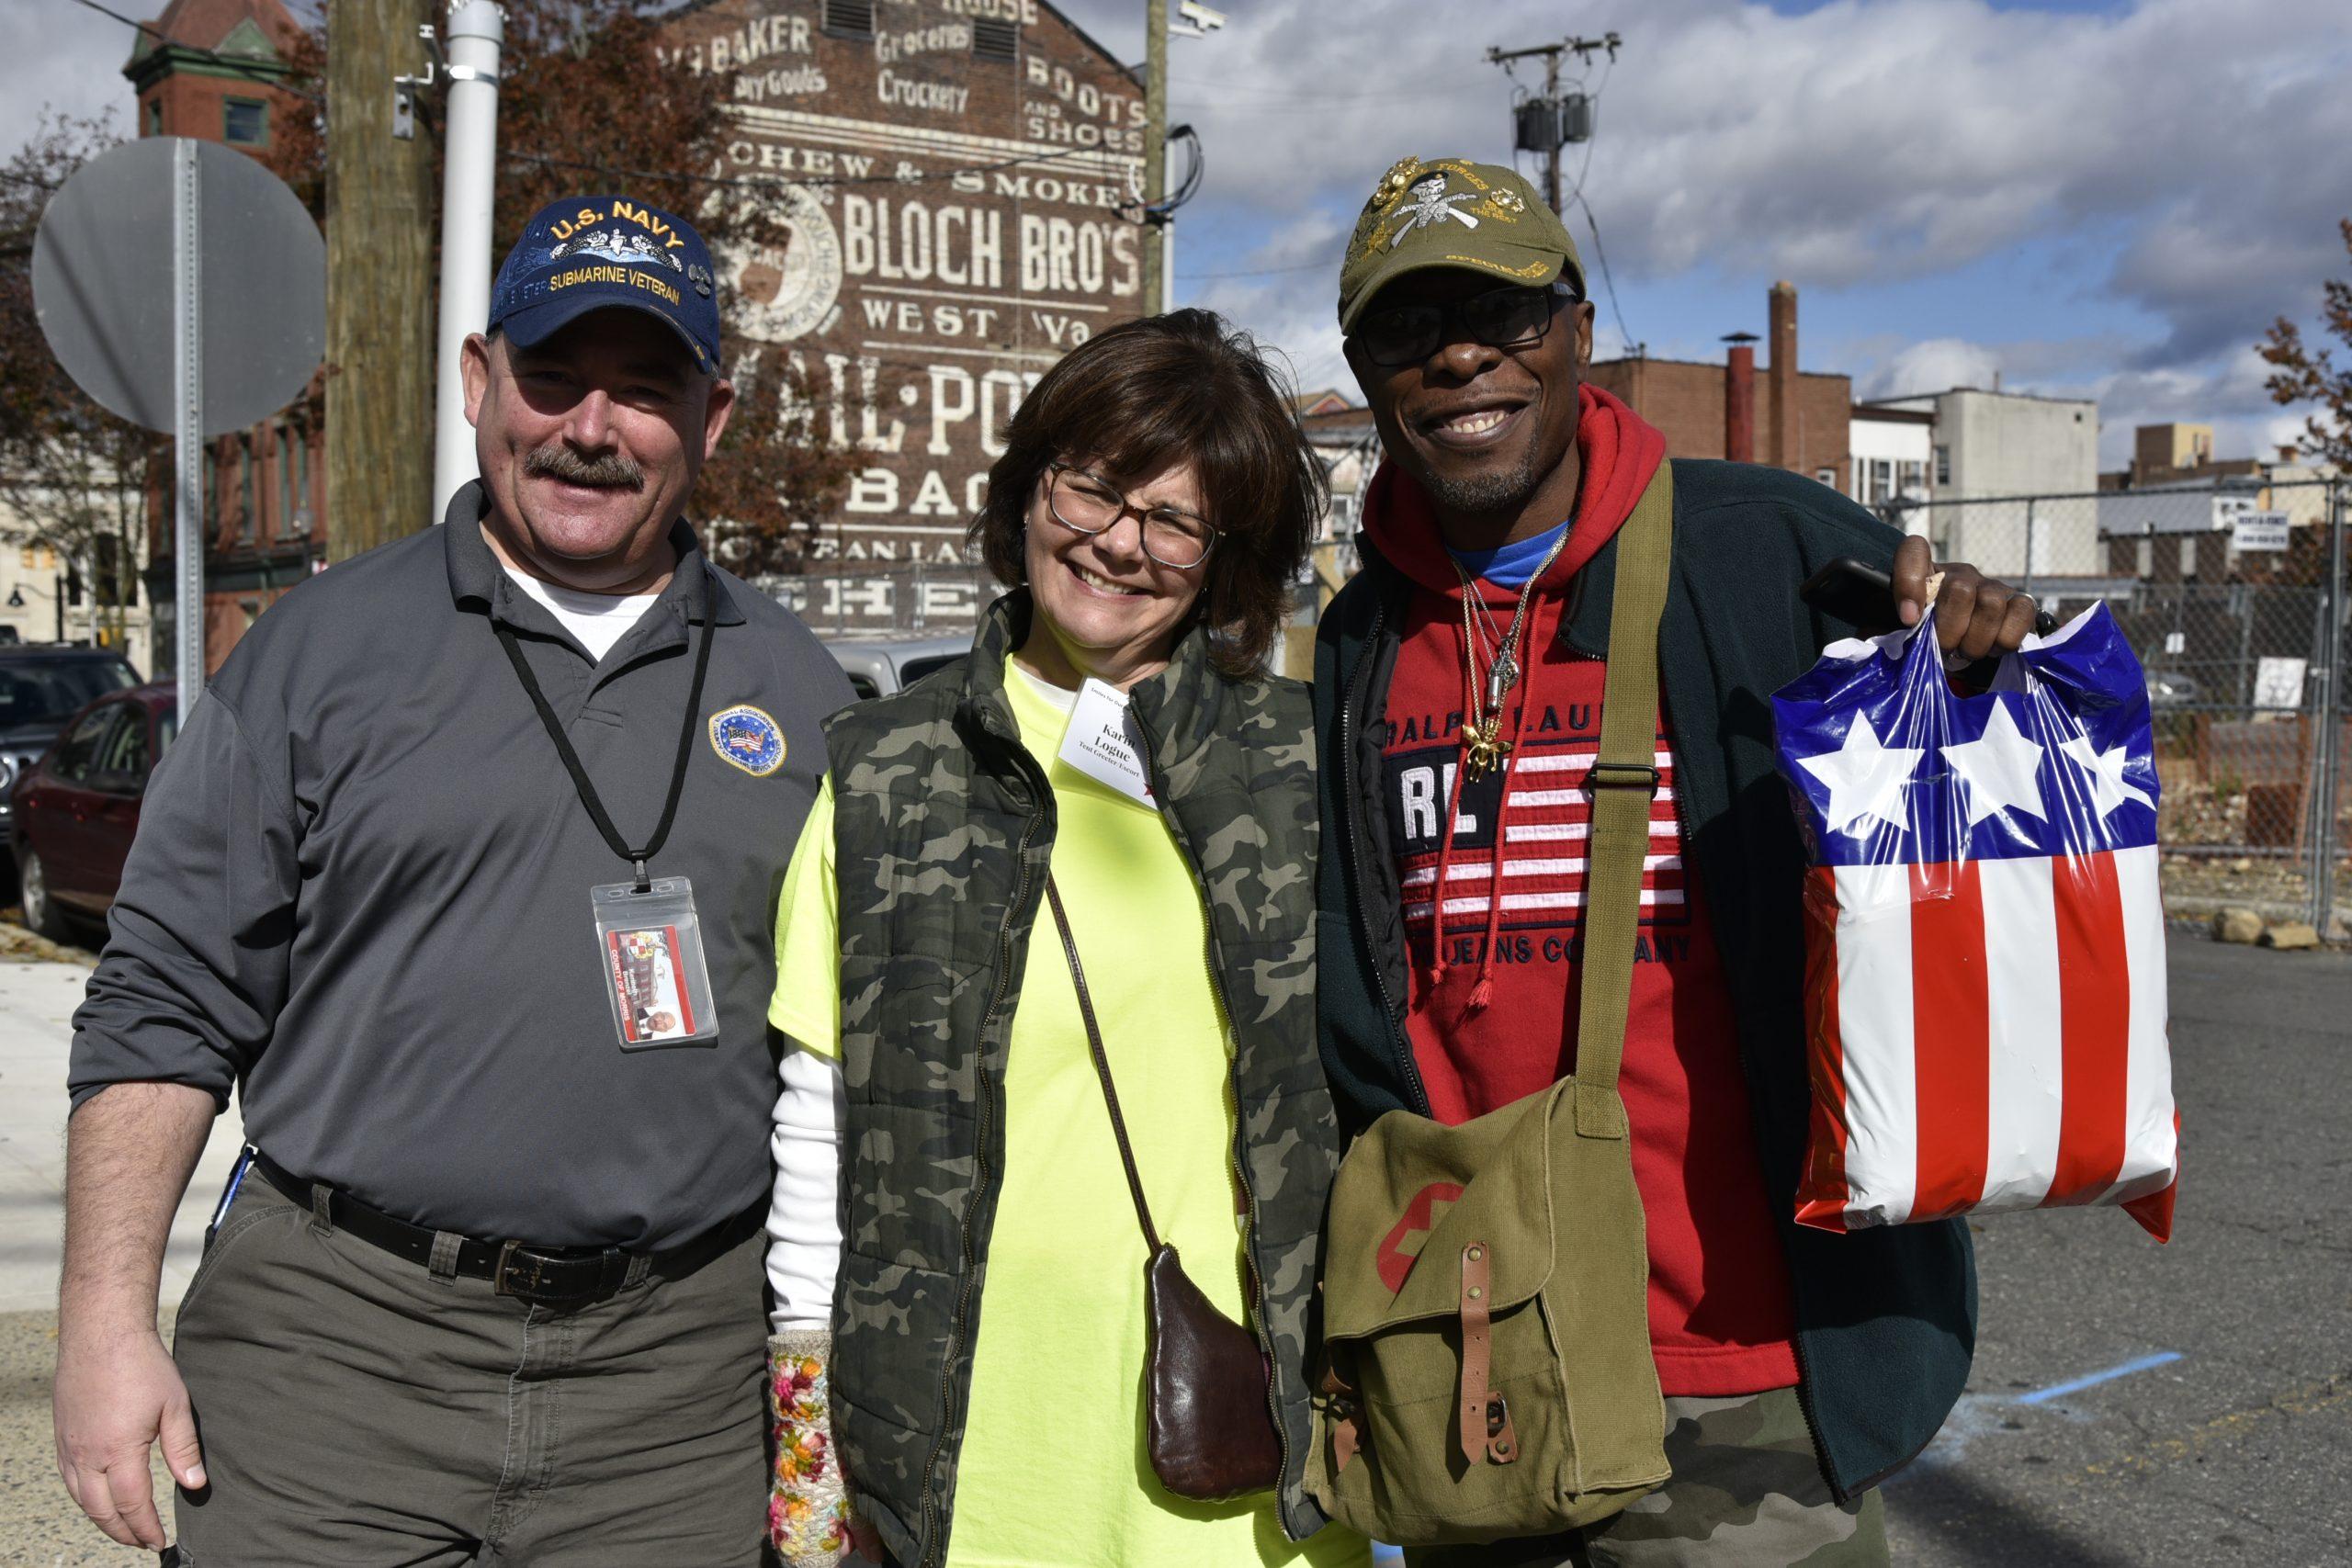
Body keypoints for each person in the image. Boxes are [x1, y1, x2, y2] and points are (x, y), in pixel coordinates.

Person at [51, 194, 851, 1565]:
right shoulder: (317, 654)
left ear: (712, 421)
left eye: (646, 390)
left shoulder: (807, 695)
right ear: (482, 383)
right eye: (552, 377)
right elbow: (163, 1008)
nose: (591, 429)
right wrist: (103, 1327)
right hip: (342, 1354)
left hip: (669, 1395)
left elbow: (848, 1070)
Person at [1314, 157, 2041, 1566]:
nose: (1460, 354)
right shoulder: (1355, 644)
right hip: (1477, 1365)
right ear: (1365, 371)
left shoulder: (1760, 551)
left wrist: (1982, 672)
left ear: (1580, 329)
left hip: (1742, 1372)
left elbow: (1967, 787)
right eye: (1409, 329)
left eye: (1502, 313)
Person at [759, 310, 1366, 1568]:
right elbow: (822, 1133)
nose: (1117, 545)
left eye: (1174, 520)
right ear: (1031, 485)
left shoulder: (1298, 764)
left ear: (1225, 555)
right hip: (965, 1453)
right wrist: (812, 1474)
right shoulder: (886, 771)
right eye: (1091, 488)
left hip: (1250, 1447)